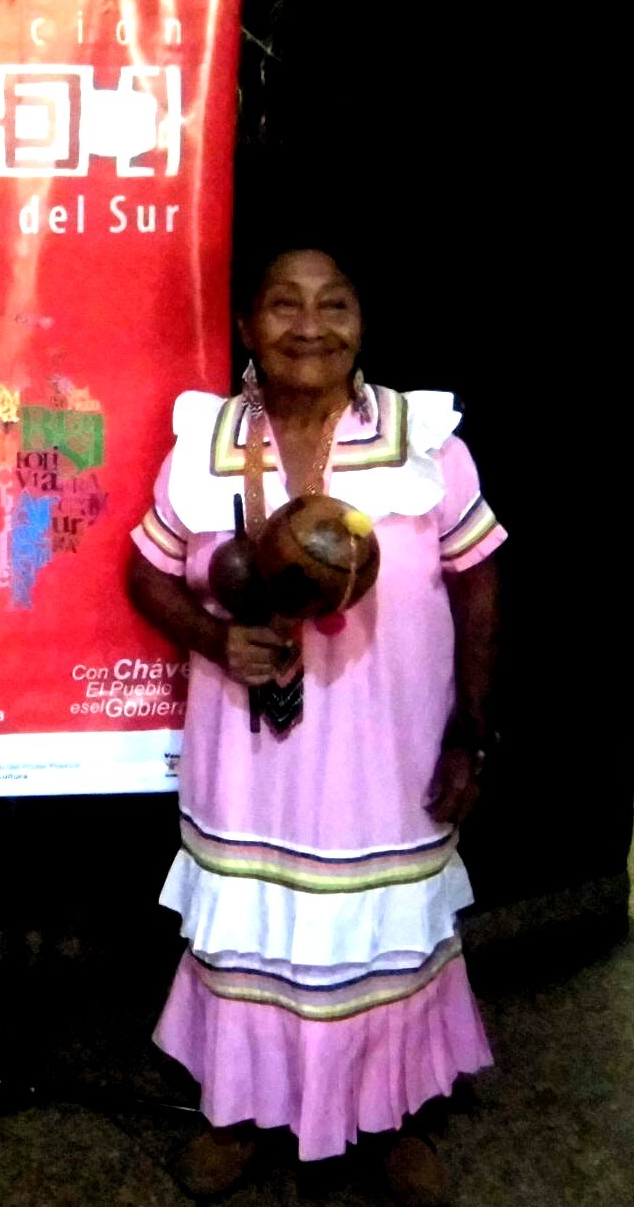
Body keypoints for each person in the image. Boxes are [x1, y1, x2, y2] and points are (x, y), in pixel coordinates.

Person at [126, 248, 502, 1206]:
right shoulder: (204, 445)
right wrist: (215, 640)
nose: (309, 325)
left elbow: (477, 583)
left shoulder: (423, 441)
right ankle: (239, 1111)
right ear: (247, 328)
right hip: (250, 760)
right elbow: (146, 574)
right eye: (283, 305)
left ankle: (392, 1115)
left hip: (389, 757)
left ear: (361, 323)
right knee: (250, 933)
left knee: (386, 934)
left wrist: (469, 731)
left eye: (333, 304)